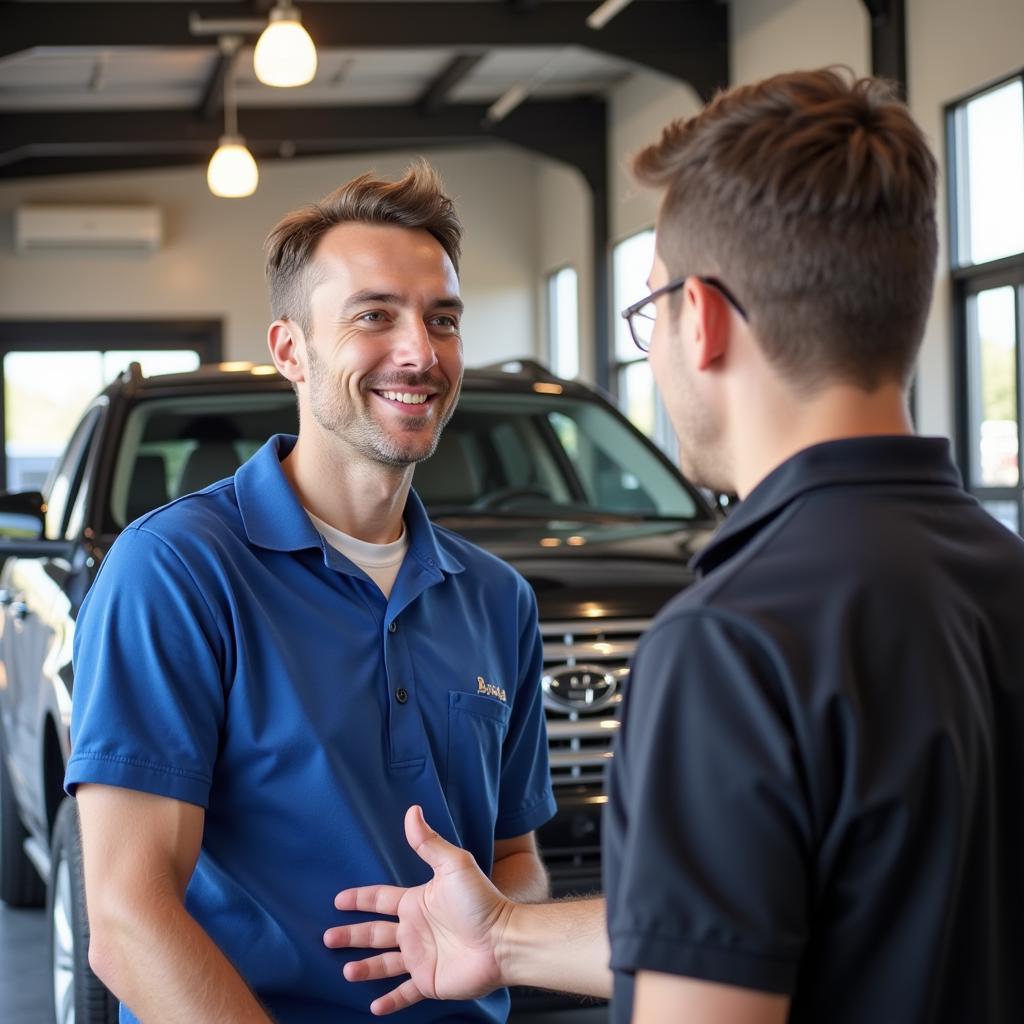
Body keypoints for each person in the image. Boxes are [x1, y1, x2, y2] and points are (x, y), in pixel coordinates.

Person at [325, 69, 1024, 1023]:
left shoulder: (735, 641)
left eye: (649, 309)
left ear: (701, 320)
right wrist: (502, 936)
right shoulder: (997, 577)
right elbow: (829, 914)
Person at [66, 163, 556, 1024]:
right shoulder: (177, 571)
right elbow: (125, 918)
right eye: (375, 316)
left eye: (442, 321)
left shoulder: (497, 598)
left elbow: (514, 854)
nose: (420, 351)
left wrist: (492, 924)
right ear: (290, 349)